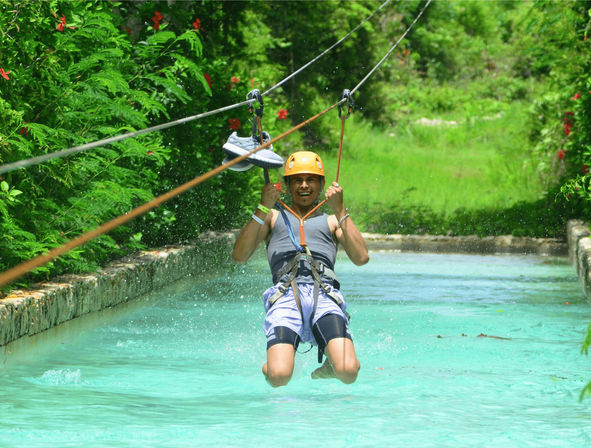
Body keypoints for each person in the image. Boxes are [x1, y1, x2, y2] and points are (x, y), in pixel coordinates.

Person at [232, 151, 369, 387]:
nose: (304, 185)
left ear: (322, 184)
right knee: (279, 378)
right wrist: (263, 206)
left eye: (311, 180)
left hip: (324, 296)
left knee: (348, 372)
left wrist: (340, 208)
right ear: (287, 185)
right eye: (297, 180)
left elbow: (361, 257)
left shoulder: (332, 220)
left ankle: (331, 365)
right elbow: (239, 255)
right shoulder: (272, 217)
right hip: (286, 296)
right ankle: (273, 363)